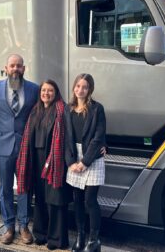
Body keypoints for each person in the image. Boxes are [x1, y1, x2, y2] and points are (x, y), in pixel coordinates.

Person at [16, 80, 71, 250]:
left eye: (50, 90)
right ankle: (40, 234)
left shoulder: (62, 110)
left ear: (56, 92)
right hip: (37, 160)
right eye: (44, 90)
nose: (46, 93)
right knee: (39, 198)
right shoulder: (35, 111)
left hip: (55, 161)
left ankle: (56, 239)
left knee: (54, 200)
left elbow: (69, 135)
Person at [0, 54, 39, 245]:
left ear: (24, 69)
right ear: (6, 68)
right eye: (12, 66)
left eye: (19, 66)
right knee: (5, 189)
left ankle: (24, 225)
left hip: (25, 148)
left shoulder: (34, 89)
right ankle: (8, 226)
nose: (15, 69)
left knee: (24, 188)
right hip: (3, 147)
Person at [65, 73, 106, 252]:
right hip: (74, 157)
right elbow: (65, 138)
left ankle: (93, 240)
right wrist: (71, 162)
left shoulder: (97, 109)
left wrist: (85, 162)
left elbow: (98, 137)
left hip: (92, 157)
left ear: (90, 90)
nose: (80, 89)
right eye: (78, 86)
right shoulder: (68, 109)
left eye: (85, 87)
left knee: (90, 201)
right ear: (74, 87)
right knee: (77, 200)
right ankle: (80, 236)